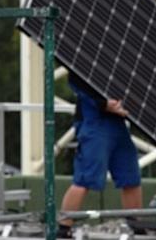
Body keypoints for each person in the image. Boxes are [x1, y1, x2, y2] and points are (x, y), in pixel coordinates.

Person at [58, 72, 142, 237]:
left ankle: (136, 226)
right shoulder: (81, 59)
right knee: (85, 178)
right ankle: (63, 228)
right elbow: (76, 78)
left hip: (118, 123)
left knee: (131, 176)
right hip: (94, 123)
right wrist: (102, 103)